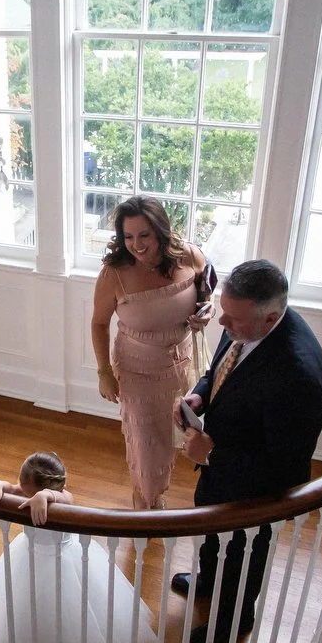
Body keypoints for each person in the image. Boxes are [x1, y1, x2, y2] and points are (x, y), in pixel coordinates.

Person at [170, 260, 322, 643]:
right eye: (224, 310)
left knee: (241, 557)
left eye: (233, 318)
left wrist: (212, 455)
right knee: (211, 534)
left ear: (271, 317)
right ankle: (208, 582)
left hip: (253, 495)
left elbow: (285, 470)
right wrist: (201, 395)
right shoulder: (246, 321)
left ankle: (233, 619)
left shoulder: (298, 376)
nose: (222, 322)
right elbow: (222, 368)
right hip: (219, 476)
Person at [0, 453, 157, 643]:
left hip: (66, 563)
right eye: (24, 488)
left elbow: (67, 497)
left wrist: (46, 496)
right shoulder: (24, 489)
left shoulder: (60, 498)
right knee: (32, 607)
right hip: (29, 558)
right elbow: (10, 487)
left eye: (29, 491)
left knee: (68, 611)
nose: (22, 492)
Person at [91, 196, 212, 510]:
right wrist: (104, 372)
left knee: (171, 435)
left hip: (183, 365)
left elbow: (207, 285)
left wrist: (207, 308)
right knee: (146, 445)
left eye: (144, 235)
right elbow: (99, 323)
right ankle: (146, 504)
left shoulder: (189, 255)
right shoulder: (113, 274)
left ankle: (154, 493)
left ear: (160, 230)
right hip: (137, 372)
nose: (137, 245)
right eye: (128, 237)